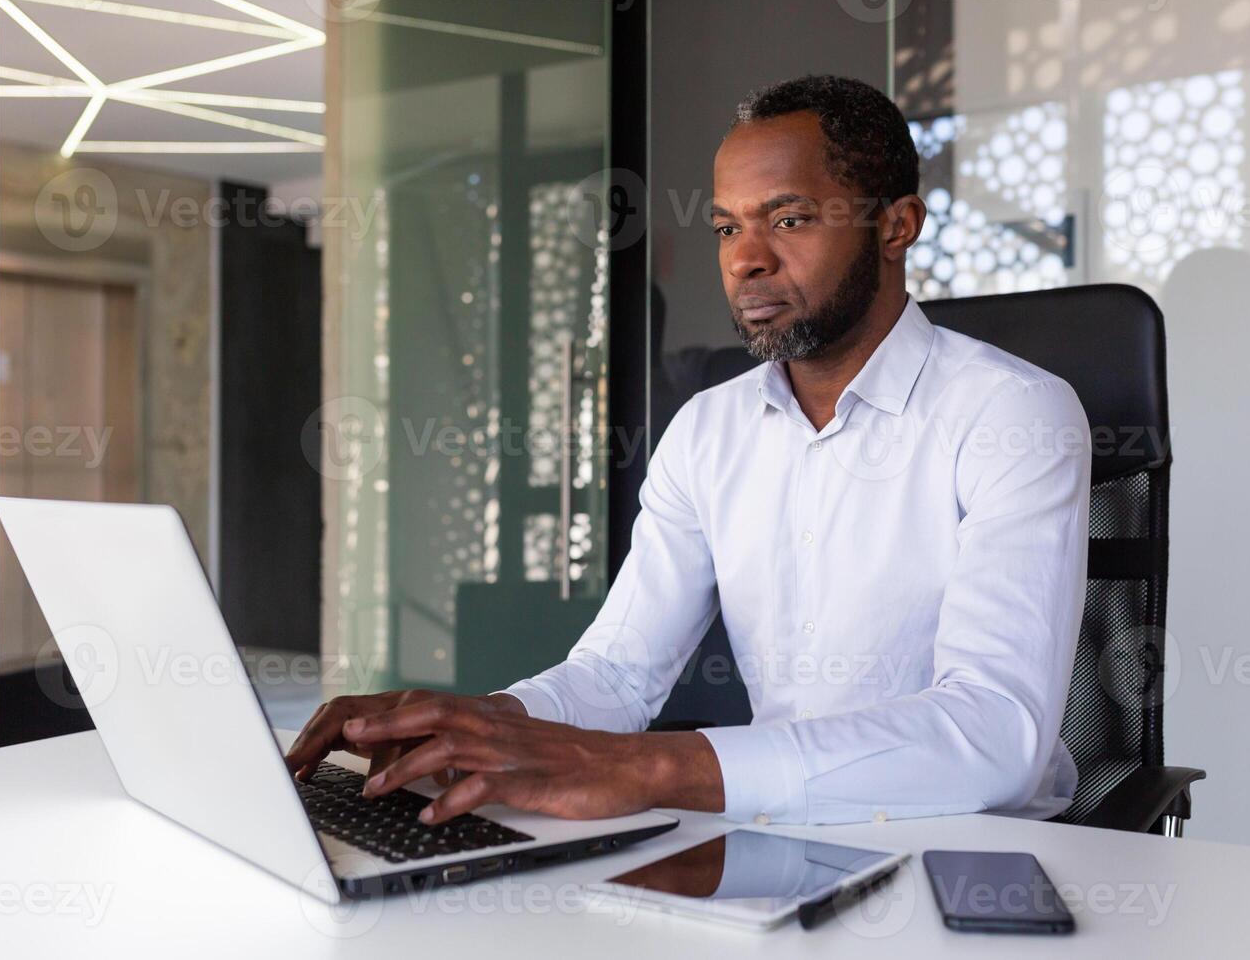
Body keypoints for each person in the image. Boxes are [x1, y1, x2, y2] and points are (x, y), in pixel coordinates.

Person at [287, 74, 1091, 828]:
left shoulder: (1015, 415)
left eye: (789, 219)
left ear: (895, 226)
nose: (746, 259)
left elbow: (995, 735)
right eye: (727, 227)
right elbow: (616, 676)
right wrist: (480, 723)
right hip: (778, 830)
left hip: (974, 849)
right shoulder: (708, 430)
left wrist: (656, 769)